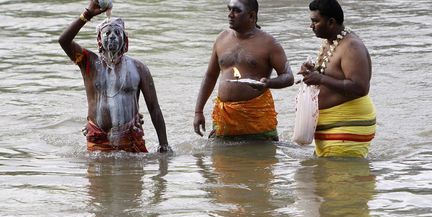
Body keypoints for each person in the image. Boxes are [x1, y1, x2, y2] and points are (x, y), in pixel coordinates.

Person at [58, 0, 170, 153]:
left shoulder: (139, 68)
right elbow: (63, 41)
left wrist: (164, 145)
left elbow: (154, 108)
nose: (112, 37)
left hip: (131, 139)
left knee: (134, 176)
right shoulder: (88, 62)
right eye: (107, 33)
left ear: (125, 39)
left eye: (117, 33)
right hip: (98, 140)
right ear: (99, 40)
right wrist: (87, 14)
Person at [193, 0, 294, 141]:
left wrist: (269, 83)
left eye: (236, 10)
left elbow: (288, 77)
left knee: (261, 161)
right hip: (224, 118)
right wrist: (198, 111)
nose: (230, 15)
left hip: (257, 119)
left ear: (252, 16)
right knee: (222, 162)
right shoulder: (221, 39)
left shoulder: (269, 44)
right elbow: (210, 76)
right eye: (229, 9)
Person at [299, 0, 376, 158]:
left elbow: (360, 87)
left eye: (315, 21)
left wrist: (320, 79)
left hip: (347, 127)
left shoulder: (351, 47)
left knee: (340, 181)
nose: (311, 26)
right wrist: (313, 72)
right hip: (334, 129)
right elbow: (334, 75)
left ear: (331, 22)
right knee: (327, 180)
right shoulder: (331, 42)